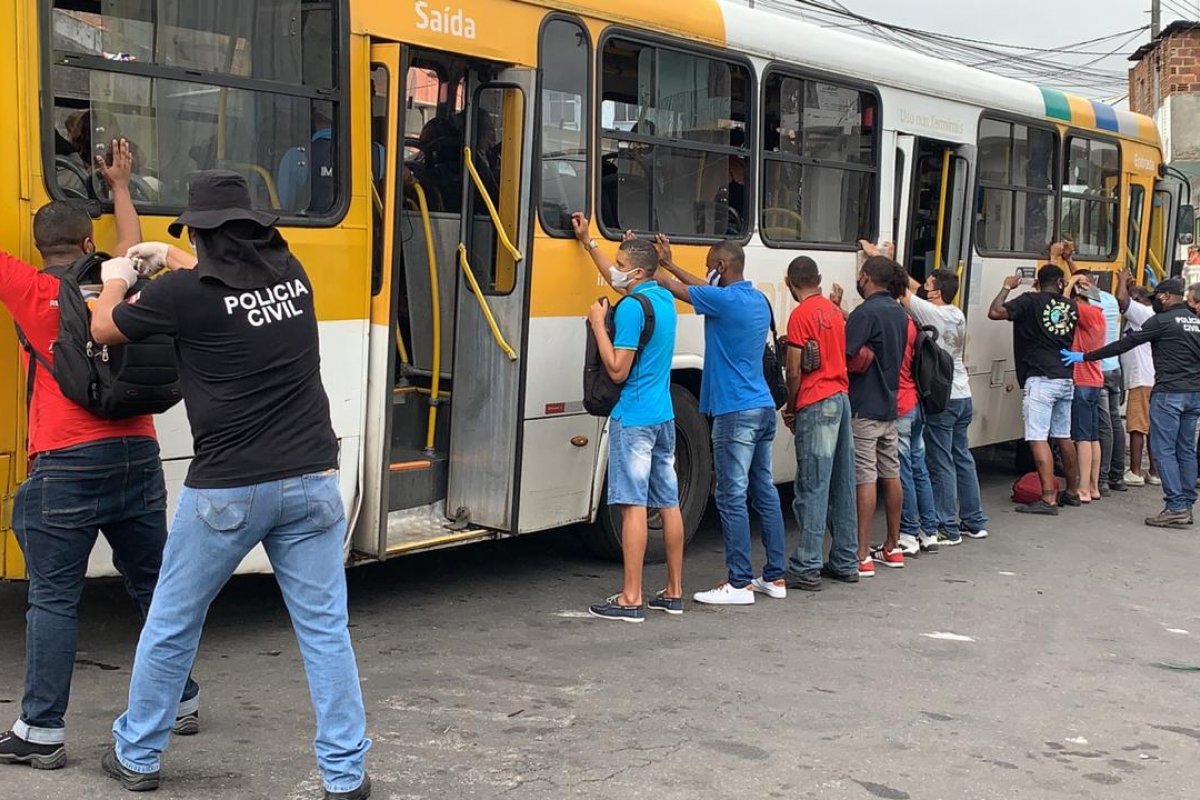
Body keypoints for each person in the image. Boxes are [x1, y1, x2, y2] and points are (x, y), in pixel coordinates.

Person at [90, 171, 371, 799]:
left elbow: (105, 330)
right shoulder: (292, 277)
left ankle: (137, 756)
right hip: (313, 483)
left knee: (172, 622)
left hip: (228, 492)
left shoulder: (180, 297)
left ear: (199, 232)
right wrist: (171, 257)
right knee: (326, 632)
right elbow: (227, 283)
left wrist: (117, 279)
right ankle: (346, 776)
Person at [0, 140, 200, 771]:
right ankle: (183, 698)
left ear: (43, 249)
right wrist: (120, 186)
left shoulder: (35, 292)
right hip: (136, 453)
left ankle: (42, 729)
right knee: (154, 586)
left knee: (54, 597)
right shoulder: (119, 283)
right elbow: (133, 248)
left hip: (65, 460)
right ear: (90, 245)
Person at [653, 237, 787, 605]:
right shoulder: (756, 299)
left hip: (734, 412)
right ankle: (775, 577)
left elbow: (679, 288)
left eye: (711, 265)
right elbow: (700, 285)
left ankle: (740, 582)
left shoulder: (723, 301)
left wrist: (657, 268)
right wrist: (672, 263)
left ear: (723, 268)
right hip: (762, 408)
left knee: (730, 494)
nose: (708, 271)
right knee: (764, 491)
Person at [569, 213, 683, 622]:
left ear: (636, 271)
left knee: (632, 506)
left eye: (620, 265)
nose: (614, 271)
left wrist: (599, 325)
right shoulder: (664, 298)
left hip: (633, 419)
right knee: (668, 503)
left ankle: (631, 598)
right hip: (664, 416)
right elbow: (621, 277)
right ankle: (672, 591)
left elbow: (617, 369)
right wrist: (589, 243)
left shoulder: (632, 310)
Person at [1062, 278, 1200, 528]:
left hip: (1169, 393)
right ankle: (1186, 503)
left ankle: (1176, 506)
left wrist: (1086, 356)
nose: (1155, 300)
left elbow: (1126, 343)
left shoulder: (1162, 321)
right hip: (1194, 394)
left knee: (1164, 450)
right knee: (1186, 449)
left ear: (1166, 297)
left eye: (1157, 296)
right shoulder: (1197, 323)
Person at [781, 257, 860, 591]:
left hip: (816, 400)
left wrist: (792, 405)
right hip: (841, 398)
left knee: (812, 485)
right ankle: (845, 559)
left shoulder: (800, 315)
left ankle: (807, 563)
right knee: (842, 483)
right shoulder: (831, 310)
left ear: (789, 282)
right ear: (819, 278)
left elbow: (795, 369)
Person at [987, 256, 1083, 515]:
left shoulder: (1029, 301)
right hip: (1065, 376)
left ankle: (1048, 498)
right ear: (1061, 282)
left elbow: (995, 312)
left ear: (1038, 283)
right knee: (1063, 435)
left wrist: (1008, 287)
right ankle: (1073, 491)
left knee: (1038, 437)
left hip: (1040, 379)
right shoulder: (1070, 305)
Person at [899, 268, 989, 545]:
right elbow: (915, 291)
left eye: (928, 285)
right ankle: (974, 521)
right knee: (962, 456)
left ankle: (947, 526)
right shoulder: (956, 313)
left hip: (945, 398)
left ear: (936, 292)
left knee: (940, 463)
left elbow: (903, 292)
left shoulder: (932, 314)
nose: (923, 287)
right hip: (964, 394)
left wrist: (883, 258)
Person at [842, 253, 909, 576]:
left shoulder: (865, 312)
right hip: (890, 405)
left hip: (865, 404)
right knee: (891, 474)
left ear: (867, 277)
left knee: (864, 477)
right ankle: (893, 546)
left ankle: (860, 552)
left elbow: (847, 351)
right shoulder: (898, 311)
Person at [890, 267, 941, 557]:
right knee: (918, 467)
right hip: (916, 401)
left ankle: (908, 532)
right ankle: (929, 530)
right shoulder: (911, 321)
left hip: (902, 404)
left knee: (904, 469)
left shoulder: (896, 320)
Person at [1115, 276, 1157, 487]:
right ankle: (1154, 472)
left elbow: (1122, 300)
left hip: (1142, 379)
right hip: (1150, 378)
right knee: (1151, 427)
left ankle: (1135, 472)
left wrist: (1122, 279)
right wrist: (1130, 286)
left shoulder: (1142, 313)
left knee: (1137, 427)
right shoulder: (1148, 314)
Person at [1068, 274, 1106, 503]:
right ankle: (1093, 485)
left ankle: (1082, 488)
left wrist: (1071, 282)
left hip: (1081, 381)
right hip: (1095, 381)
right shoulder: (1100, 316)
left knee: (1081, 438)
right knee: (1093, 437)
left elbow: (1061, 303)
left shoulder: (1084, 312)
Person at [1090, 271, 1128, 495]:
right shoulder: (1111, 300)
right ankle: (1117, 475)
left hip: (1100, 369)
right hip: (1114, 368)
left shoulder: (1094, 303)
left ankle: (1101, 479)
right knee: (1114, 422)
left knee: (1103, 425)